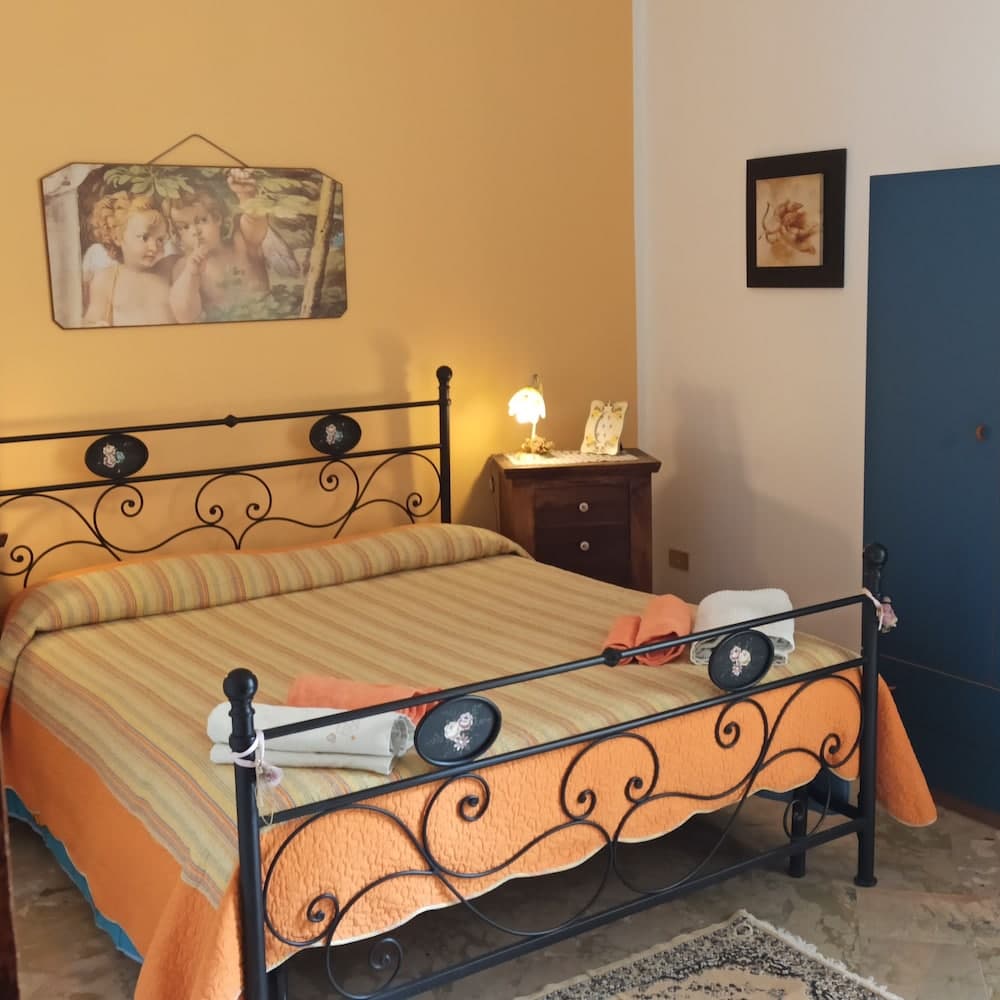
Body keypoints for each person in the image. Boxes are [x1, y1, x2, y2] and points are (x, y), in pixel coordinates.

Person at [165, 169, 273, 323]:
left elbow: (255, 221)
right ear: (177, 234)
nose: (195, 231)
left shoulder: (241, 243)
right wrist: (191, 274)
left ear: (217, 218)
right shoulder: (185, 267)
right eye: (184, 227)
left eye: (202, 220)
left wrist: (246, 195)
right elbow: (185, 316)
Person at [82, 194, 176, 327]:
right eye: (144, 237)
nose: (154, 247)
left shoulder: (169, 268)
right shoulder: (107, 279)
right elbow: (92, 320)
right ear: (117, 237)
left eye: (160, 240)